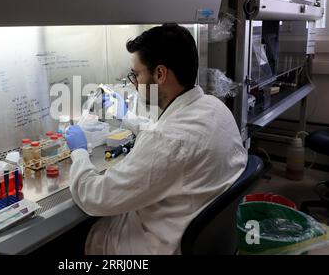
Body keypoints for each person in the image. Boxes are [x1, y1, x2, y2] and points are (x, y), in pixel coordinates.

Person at [65, 24, 247, 255]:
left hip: (154, 247)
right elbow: (172, 137)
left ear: (160, 74)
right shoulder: (215, 108)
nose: (134, 83)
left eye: (136, 74)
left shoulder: (166, 141)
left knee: (77, 237)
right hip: (208, 240)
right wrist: (126, 117)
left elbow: (94, 196)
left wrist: (79, 153)